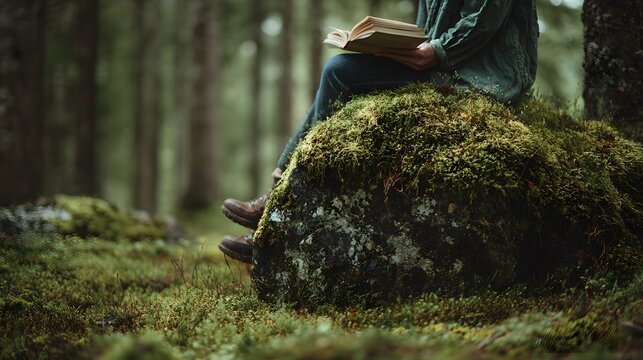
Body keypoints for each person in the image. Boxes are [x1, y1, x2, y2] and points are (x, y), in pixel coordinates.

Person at [218, 0, 538, 263]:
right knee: (337, 76)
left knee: (338, 73)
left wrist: (436, 51)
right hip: (444, 61)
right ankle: (274, 212)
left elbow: (483, 19)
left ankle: (275, 210)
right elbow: (431, 27)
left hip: (480, 73)